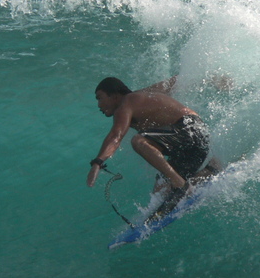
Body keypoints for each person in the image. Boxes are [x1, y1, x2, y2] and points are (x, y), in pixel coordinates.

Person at [86, 76, 219, 219]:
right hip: (195, 141)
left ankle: (182, 186)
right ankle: (212, 170)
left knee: (139, 141)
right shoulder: (141, 96)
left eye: (99, 98)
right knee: (161, 191)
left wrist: (97, 162)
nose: (99, 105)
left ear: (114, 95)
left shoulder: (126, 103)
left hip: (191, 129)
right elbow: (171, 83)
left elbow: (115, 136)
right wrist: (210, 79)